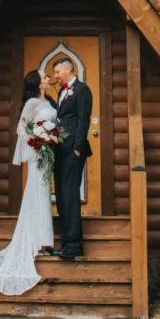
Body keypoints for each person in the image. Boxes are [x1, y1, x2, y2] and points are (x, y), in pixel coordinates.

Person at [0, 69, 57, 295]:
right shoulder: (31, 102)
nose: (48, 79)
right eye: (44, 77)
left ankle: (43, 239)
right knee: (38, 190)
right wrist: (38, 140)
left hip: (47, 153)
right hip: (38, 152)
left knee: (43, 191)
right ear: (37, 83)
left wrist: (51, 137)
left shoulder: (49, 101)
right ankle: (39, 240)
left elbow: (52, 123)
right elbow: (21, 128)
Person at [52, 56, 92, 259]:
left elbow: (83, 120)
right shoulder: (61, 92)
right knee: (61, 196)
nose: (56, 76)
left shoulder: (82, 90)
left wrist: (77, 148)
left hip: (73, 152)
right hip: (59, 152)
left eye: (58, 72)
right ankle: (66, 243)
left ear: (68, 69)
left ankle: (75, 245)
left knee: (69, 196)